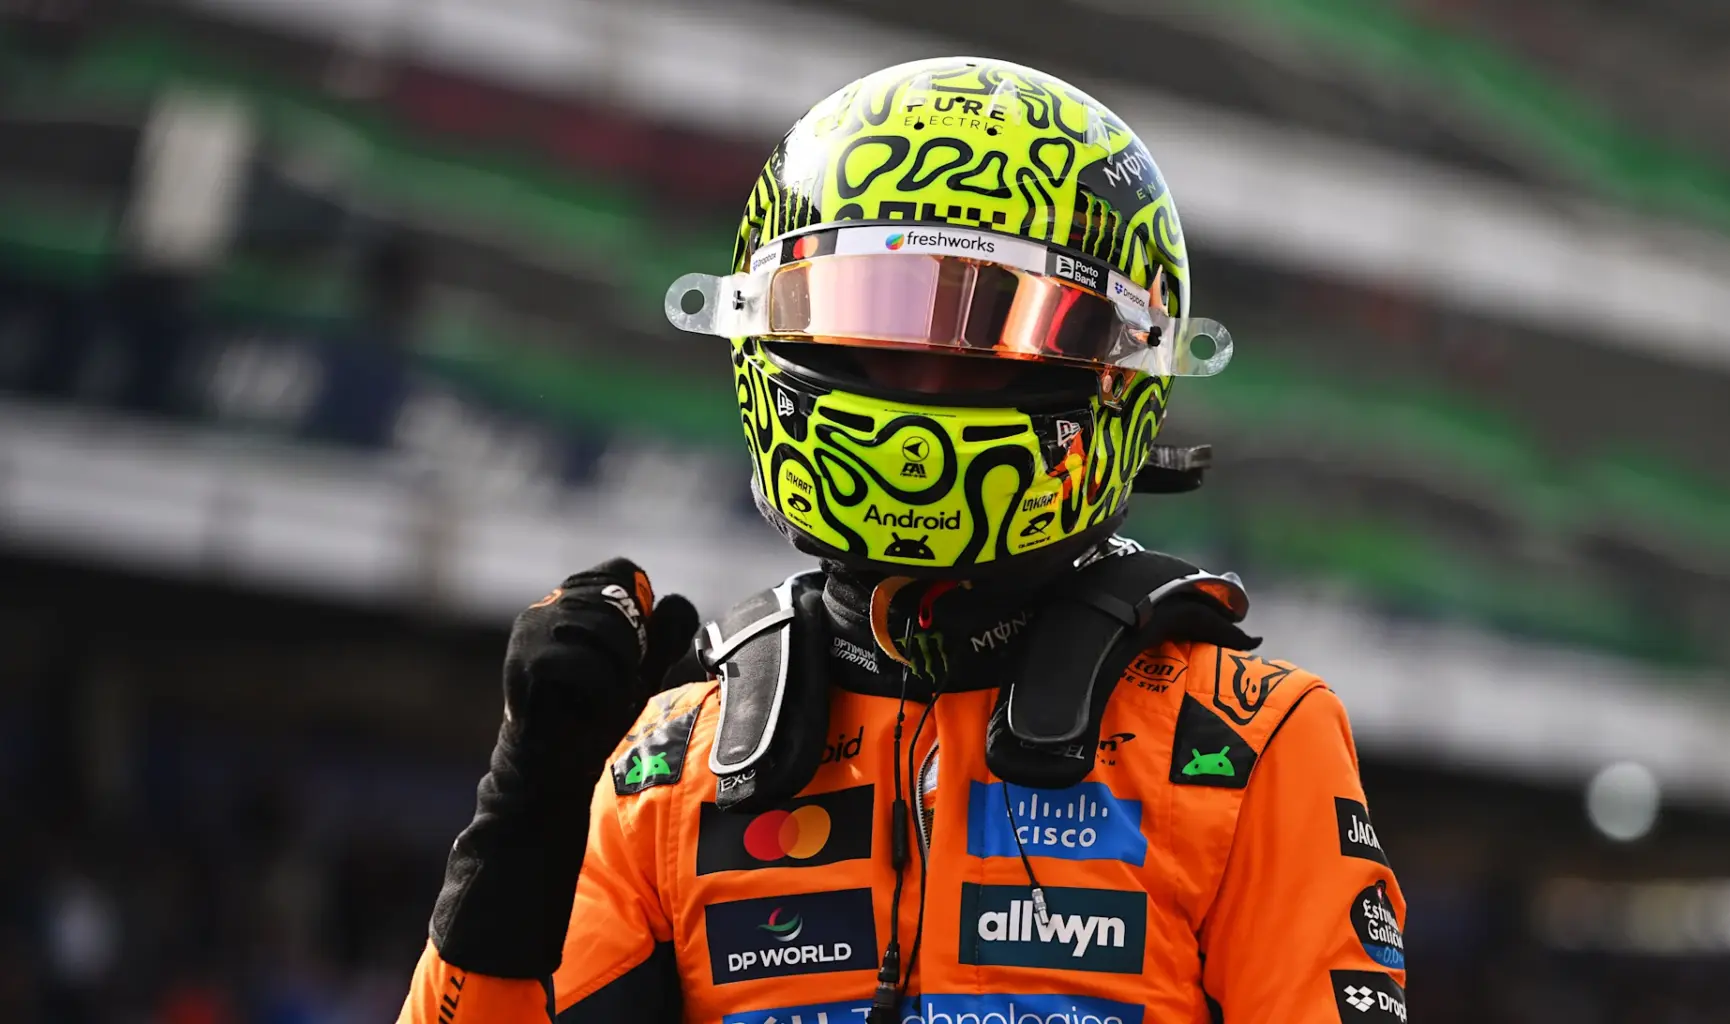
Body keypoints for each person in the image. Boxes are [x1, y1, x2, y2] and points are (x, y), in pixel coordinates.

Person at [397, 57, 1408, 1024]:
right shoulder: (674, 761)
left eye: (991, 342)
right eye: (874, 332)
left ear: (1116, 370)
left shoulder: (1245, 740)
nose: (924, 386)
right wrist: (524, 815)